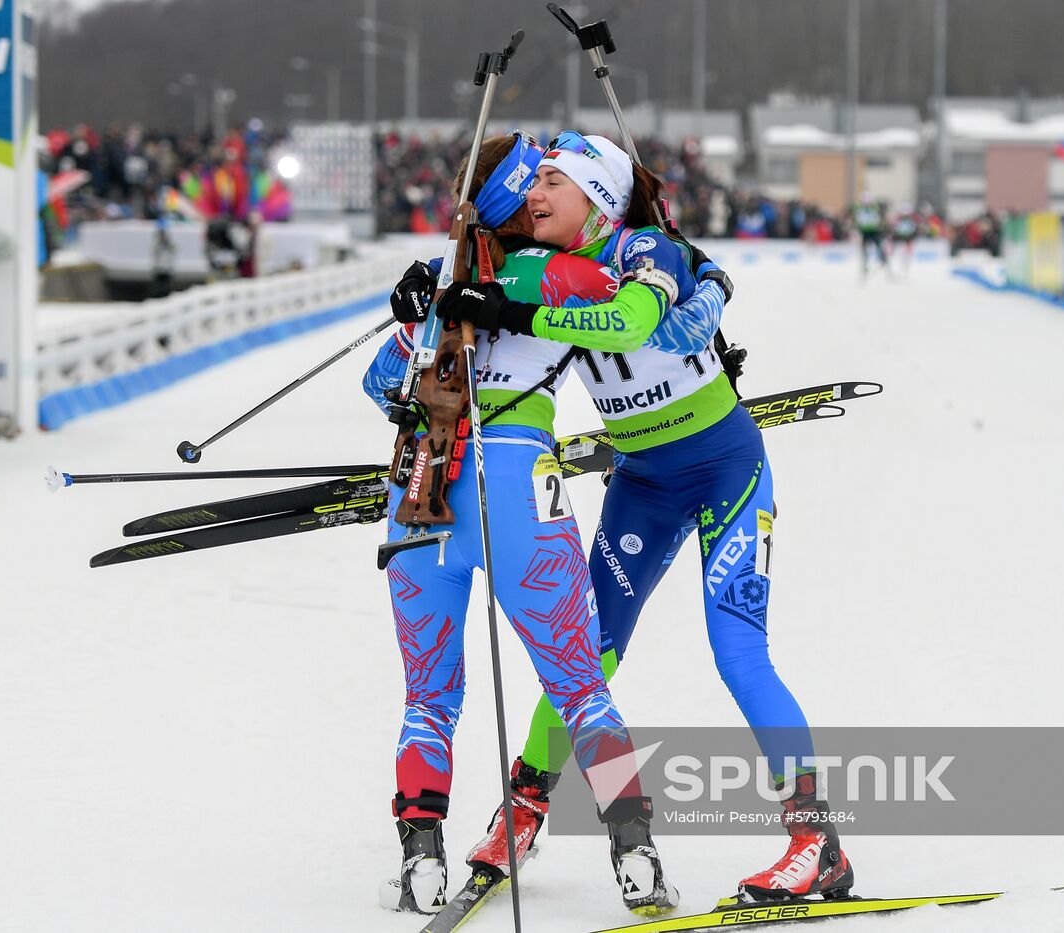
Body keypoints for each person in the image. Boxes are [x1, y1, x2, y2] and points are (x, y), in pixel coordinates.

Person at [435, 132, 854, 902]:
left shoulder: (646, 248)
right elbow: (476, 320)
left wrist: (517, 310)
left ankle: (816, 840)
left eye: (554, 180)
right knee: (584, 655)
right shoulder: (537, 268)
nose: (535, 192)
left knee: (739, 653)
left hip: (726, 472)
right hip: (642, 484)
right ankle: (523, 810)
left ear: (595, 194)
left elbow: (628, 324)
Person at [363, 133, 687, 918]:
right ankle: (636, 856)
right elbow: (636, 309)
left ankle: (421, 863)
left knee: (427, 697)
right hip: (517, 486)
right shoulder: (567, 269)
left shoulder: (445, 278)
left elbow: (382, 386)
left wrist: (414, 304)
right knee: (579, 686)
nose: (543, 194)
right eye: (536, 181)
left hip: (419, 488)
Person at [852, 196, 890, 279]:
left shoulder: (874, 209)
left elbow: (879, 220)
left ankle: (883, 261)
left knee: (879, 247)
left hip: (874, 232)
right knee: (865, 250)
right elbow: (858, 221)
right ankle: (865, 265)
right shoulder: (860, 210)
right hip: (865, 232)